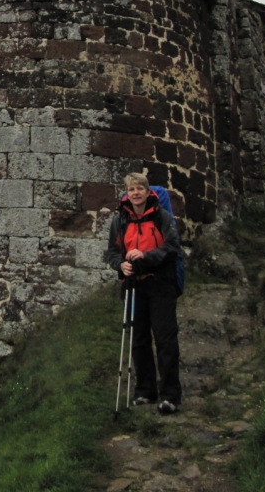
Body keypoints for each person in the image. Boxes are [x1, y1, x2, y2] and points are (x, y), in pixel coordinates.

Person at [107, 172, 182, 415]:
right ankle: (145, 390)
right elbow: (112, 252)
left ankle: (170, 394)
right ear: (127, 194)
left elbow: (172, 249)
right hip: (134, 285)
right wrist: (120, 264)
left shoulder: (163, 217)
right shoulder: (120, 221)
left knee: (165, 338)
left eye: (140, 189)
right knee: (139, 339)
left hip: (161, 284)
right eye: (132, 190)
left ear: (148, 191)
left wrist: (146, 257)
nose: (136, 193)